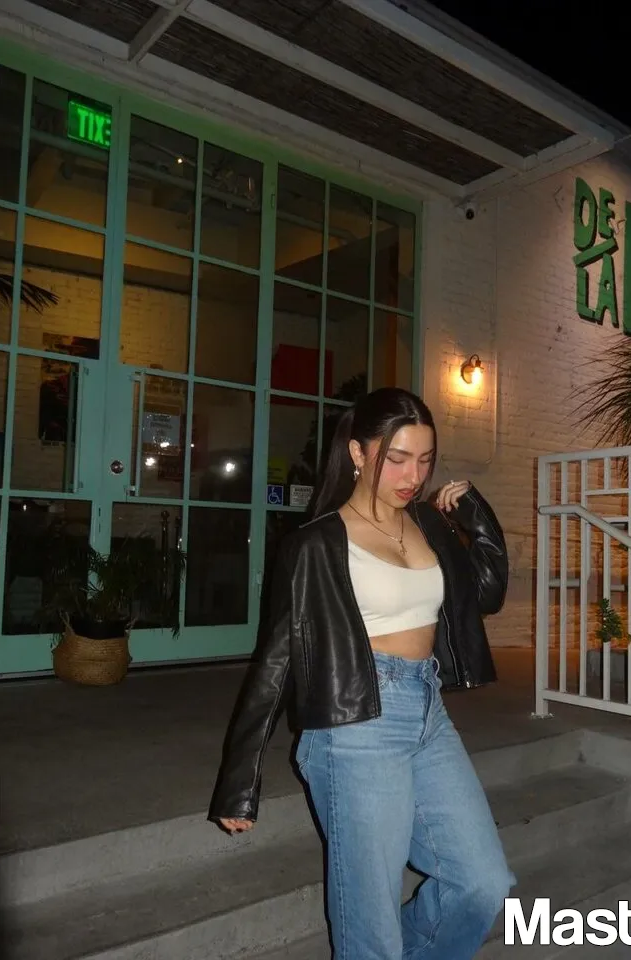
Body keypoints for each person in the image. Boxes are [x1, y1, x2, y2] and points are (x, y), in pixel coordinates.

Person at [208, 387, 515, 959]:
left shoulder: (427, 524)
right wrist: (239, 781)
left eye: (424, 460)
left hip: (427, 711)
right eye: (396, 458)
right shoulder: (317, 544)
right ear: (357, 452)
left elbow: (487, 596)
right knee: (371, 928)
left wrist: (477, 518)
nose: (413, 476)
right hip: (355, 724)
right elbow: (276, 661)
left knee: (482, 882)